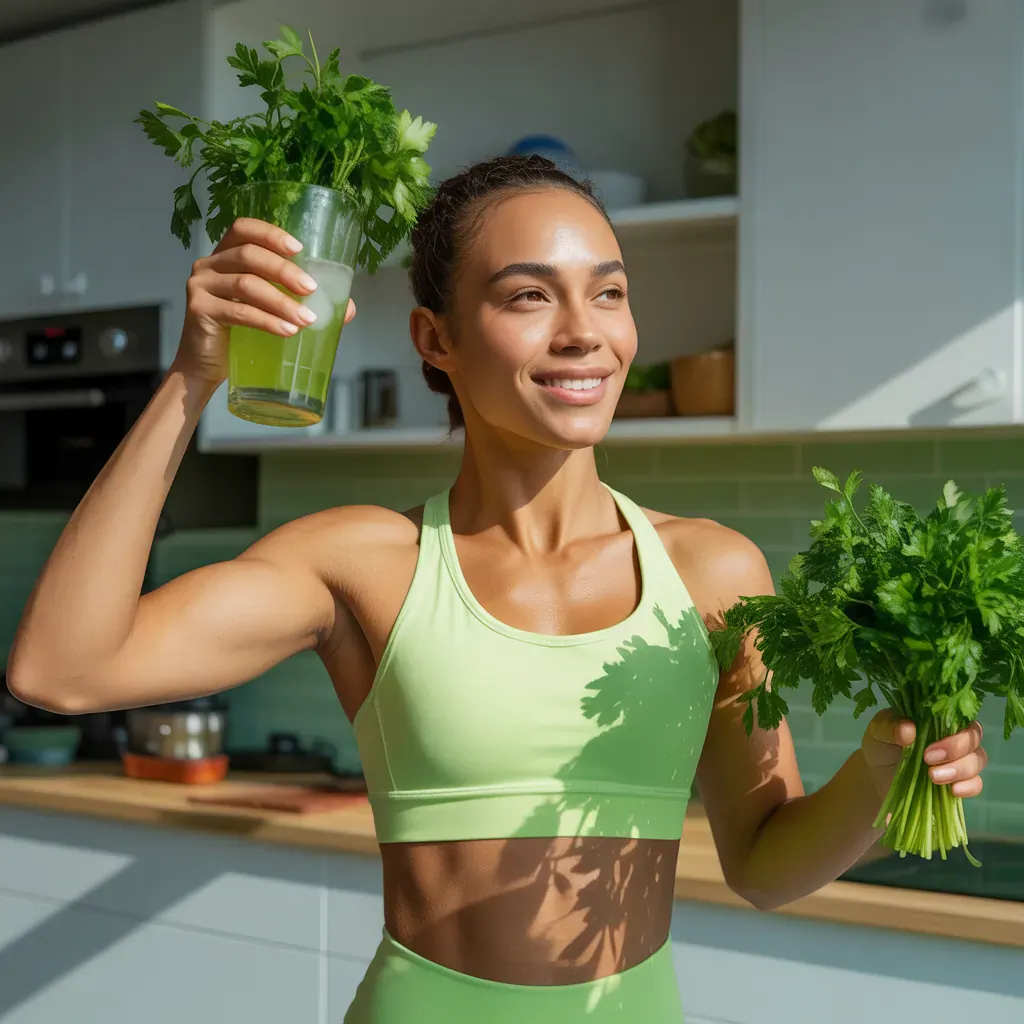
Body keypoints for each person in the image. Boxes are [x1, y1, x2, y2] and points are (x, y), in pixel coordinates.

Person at [7, 156, 987, 1023]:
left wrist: (878, 779)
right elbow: (62, 667)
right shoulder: (361, 562)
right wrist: (193, 376)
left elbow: (766, 864)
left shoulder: (711, 572)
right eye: (528, 297)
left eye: (607, 294)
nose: (583, 335)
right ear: (435, 338)